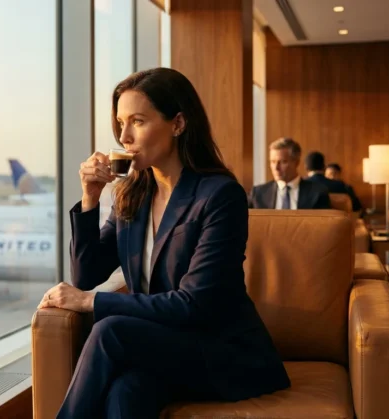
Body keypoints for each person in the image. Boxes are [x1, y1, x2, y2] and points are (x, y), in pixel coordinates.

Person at [37, 68, 290, 418]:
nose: (124, 136)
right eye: (120, 123)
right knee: (125, 394)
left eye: (137, 121)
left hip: (222, 352)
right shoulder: (132, 196)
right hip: (162, 346)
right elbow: (86, 275)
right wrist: (90, 198)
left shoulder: (219, 196)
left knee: (110, 331)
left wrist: (90, 301)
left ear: (178, 123)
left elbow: (194, 305)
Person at [248, 138, 330, 209]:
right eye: (273, 162)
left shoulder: (317, 193)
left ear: (296, 162)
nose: (276, 168)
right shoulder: (258, 194)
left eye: (282, 162)